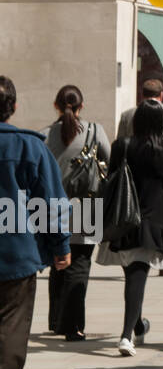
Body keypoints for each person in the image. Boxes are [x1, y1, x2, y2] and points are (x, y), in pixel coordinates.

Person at [0, 76, 71, 369]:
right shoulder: (30, 146)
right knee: (12, 327)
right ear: (13, 107)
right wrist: (61, 246)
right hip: (18, 254)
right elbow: (52, 202)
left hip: (19, 255)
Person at [96, 100, 163, 355]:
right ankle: (125, 336)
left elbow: (111, 177)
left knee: (133, 276)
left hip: (122, 219)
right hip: (151, 221)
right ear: (161, 123)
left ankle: (139, 326)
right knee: (136, 277)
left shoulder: (121, 145)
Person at [43, 84, 110, 341]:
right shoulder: (95, 130)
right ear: (82, 106)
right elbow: (108, 159)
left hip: (50, 207)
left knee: (57, 262)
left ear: (56, 106)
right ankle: (73, 326)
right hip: (87, 205)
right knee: (79, 264)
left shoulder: (45, 135)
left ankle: (56, 320)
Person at [116, 78, 163, 180]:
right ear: (161, 95)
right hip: (161, 171)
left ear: (142, 95)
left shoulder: (127, 115)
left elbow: (120, 145)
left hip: (133, 172)